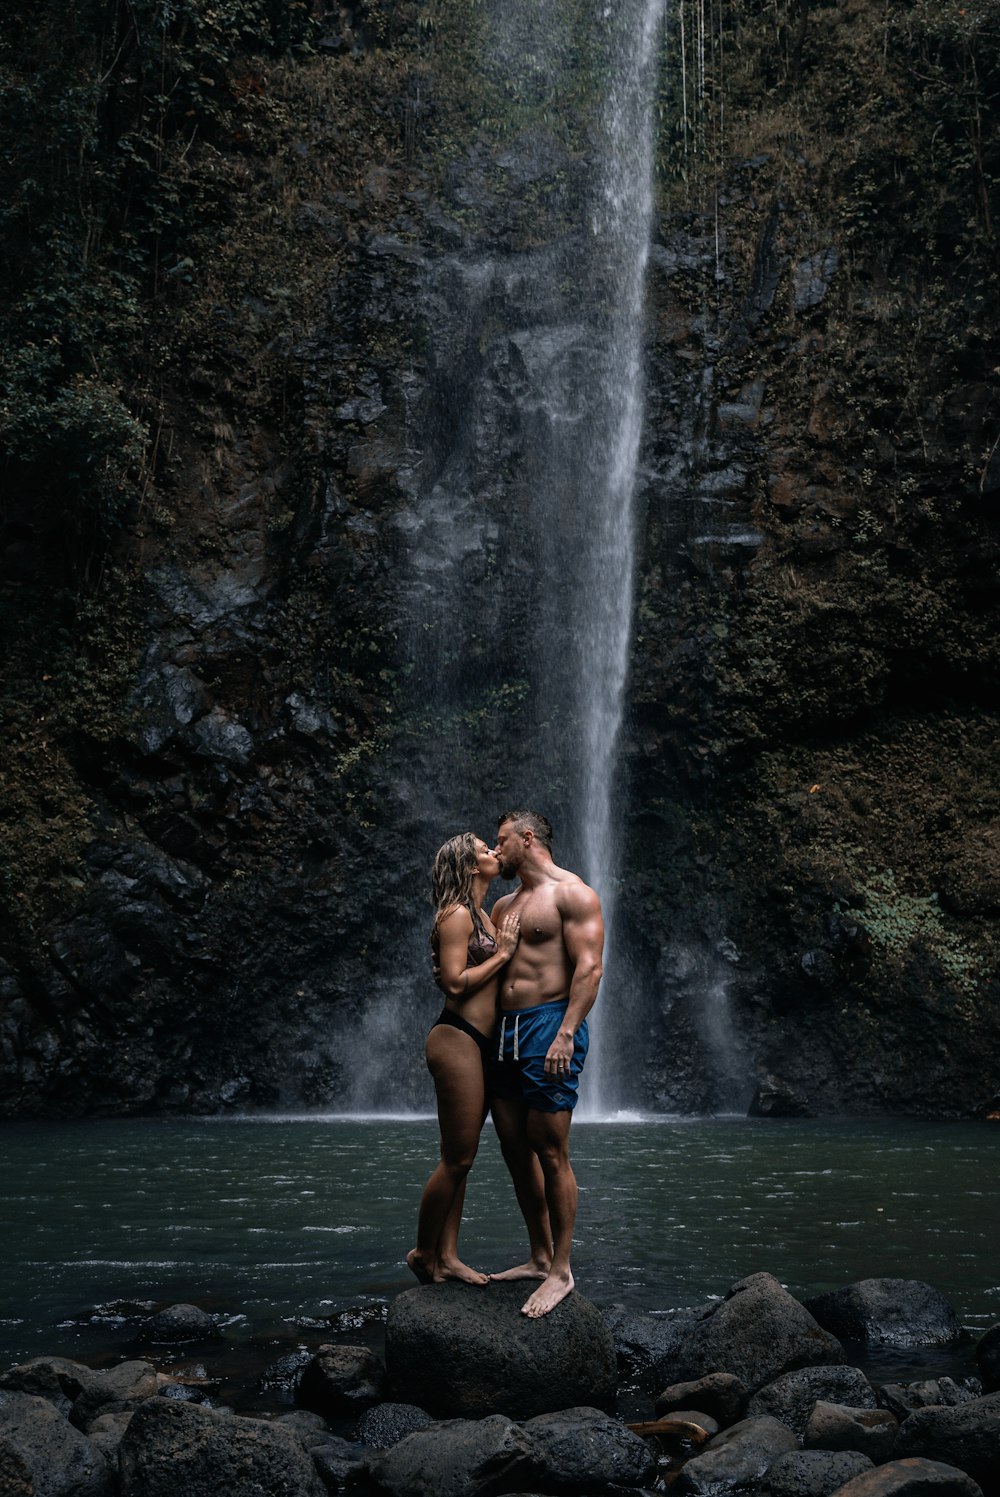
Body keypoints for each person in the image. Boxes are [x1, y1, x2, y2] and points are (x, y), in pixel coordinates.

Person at [406, 832, 552, 1286]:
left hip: (489, 1043)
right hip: (458, 1038)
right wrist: (504, 954)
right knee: (458, 1159)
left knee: (460, 1159)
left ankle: (447, 1256)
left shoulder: (484, 915)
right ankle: (424, 1252)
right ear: (471, 868)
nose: (494, 852)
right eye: (485, 850)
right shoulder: (454, 916)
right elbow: (453, 982)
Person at [488, 810, 604, 1317]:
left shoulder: (572, 894)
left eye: (501, 842)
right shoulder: (503, 904)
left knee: (551, 1149)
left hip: (549, 1025)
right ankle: (538, 1256)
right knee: (516, 1148)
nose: (496, 853)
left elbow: (590, 967)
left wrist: (566, 1033)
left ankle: (561, 1270)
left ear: (526, 838)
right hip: (505, 1031)